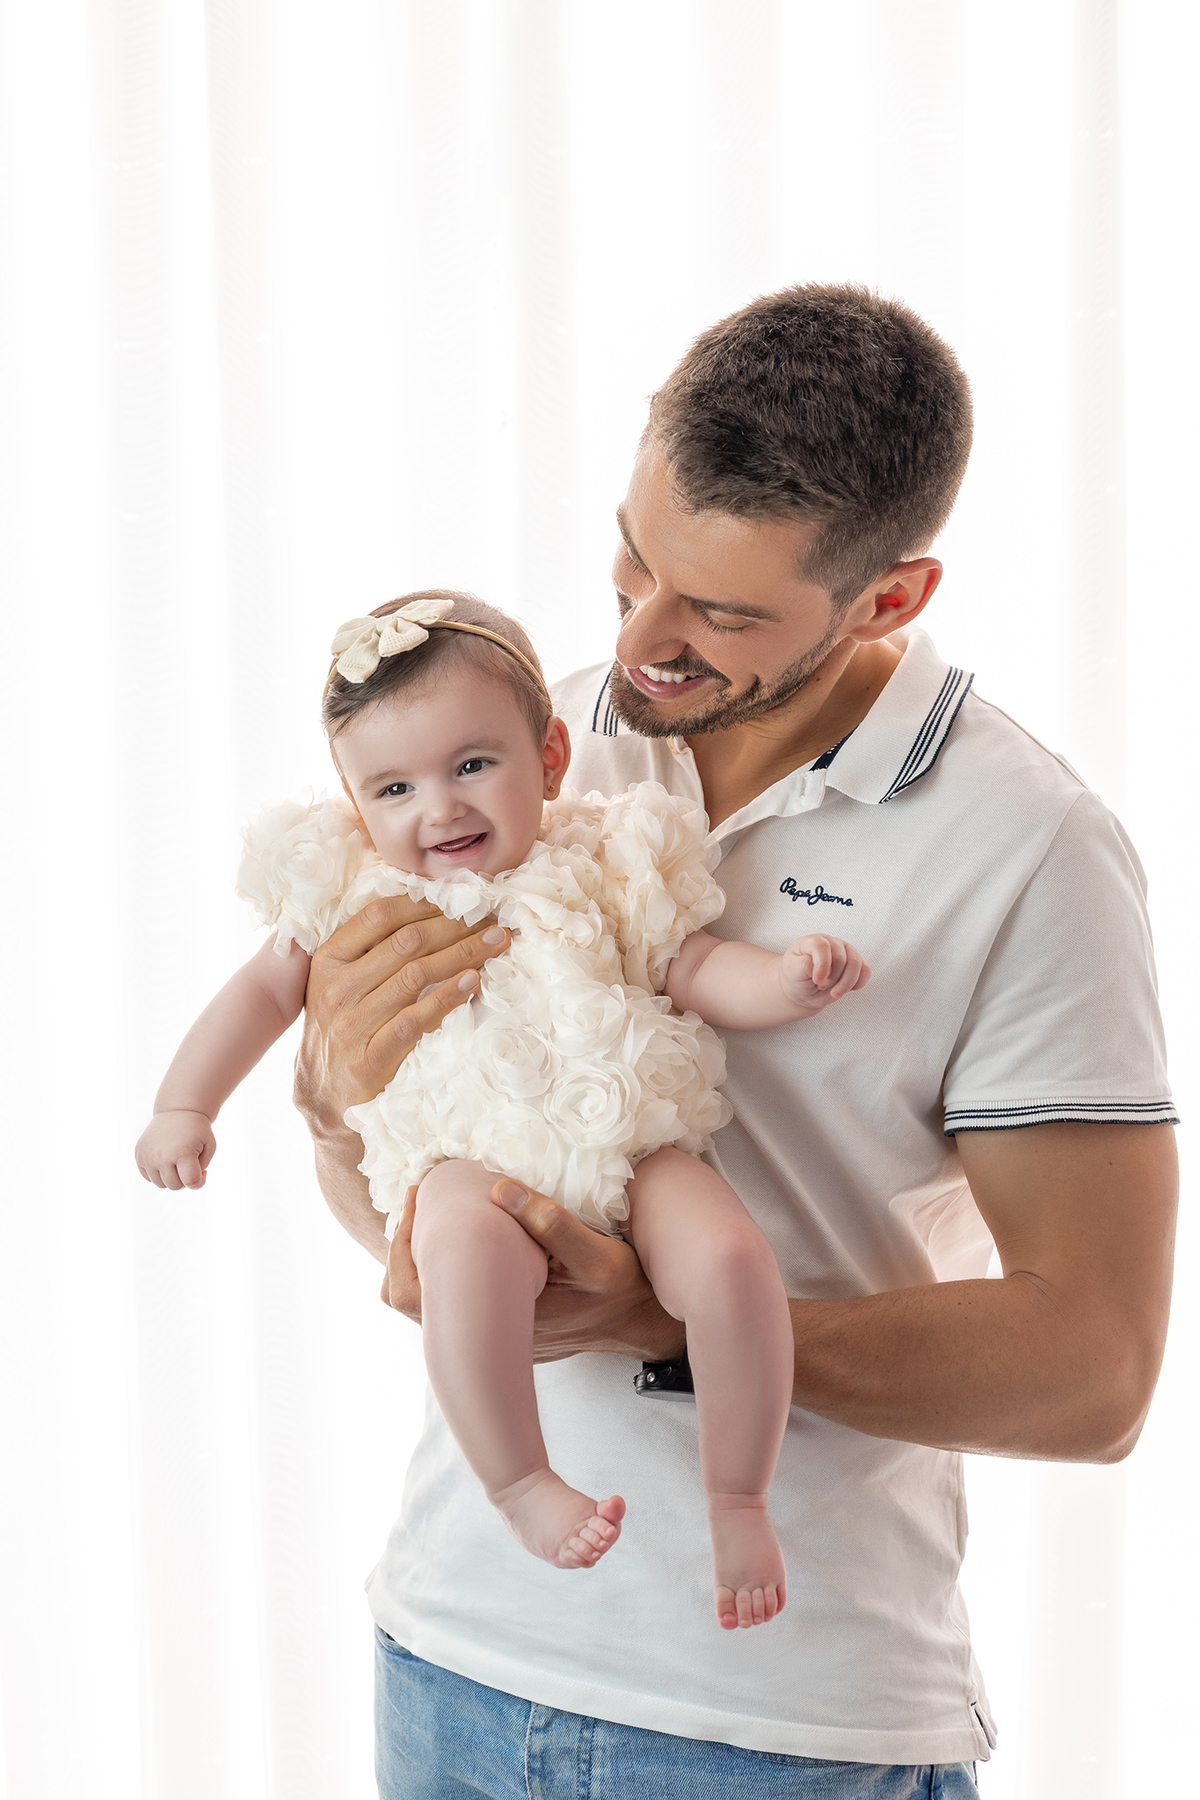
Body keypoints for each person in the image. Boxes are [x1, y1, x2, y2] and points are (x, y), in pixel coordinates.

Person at [293, 286, 1178, 1797]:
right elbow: (400, 1194)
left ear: (890, 600)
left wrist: (661, 1321)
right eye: (633, 556)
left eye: (720, 608)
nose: (638, 636)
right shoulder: (528, 743)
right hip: (452, 1650)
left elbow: (1094, 1374)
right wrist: (334, 1103)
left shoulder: (1031, 850)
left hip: (785, 1729)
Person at [134, 589, 870, 1630]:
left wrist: (786, 983)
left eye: (472, 765)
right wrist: (184, 1104)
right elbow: (261, 993)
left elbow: (697, 965)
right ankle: (521, 1479)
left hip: (629, 1142)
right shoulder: (350, 887)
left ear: (552, 757)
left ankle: (738, 1494)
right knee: (465, 1255)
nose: (438, 808)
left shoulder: (607, 859)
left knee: (734, 1261)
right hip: (466, 1160)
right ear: (353, 807)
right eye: (394, 787)